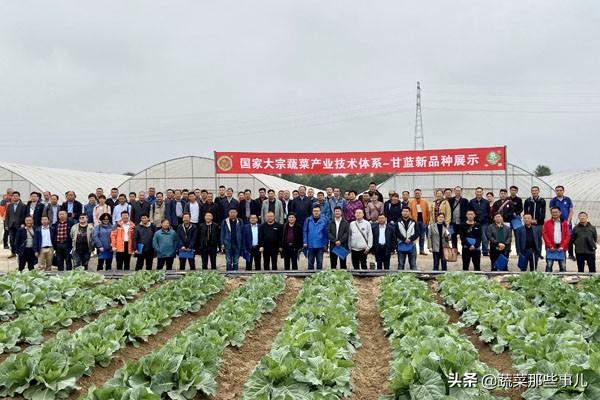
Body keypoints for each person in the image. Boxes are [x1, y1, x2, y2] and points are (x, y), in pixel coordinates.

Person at [549, 185, 575, 261]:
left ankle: (570, 254)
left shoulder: (568, 199)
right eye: (557, 190)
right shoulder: (553, 201)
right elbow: (552, 211)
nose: (559, 191)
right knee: (557, 237)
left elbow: (571, 210)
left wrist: (568, 221)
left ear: (563, 191)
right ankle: (557, 253)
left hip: (566, 222)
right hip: (557, 222)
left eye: (560, 190)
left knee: (569, 237)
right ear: (555, 191)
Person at [542, 207, 570, 272]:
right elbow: (544, 234)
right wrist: (550, 245)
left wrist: (562, 246)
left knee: (563, 266)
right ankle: (548, 281)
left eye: (556, 212)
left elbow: (567, 235)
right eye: (553, 212)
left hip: (561, 248)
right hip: (550, 247)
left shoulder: (564, 223)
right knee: (549, 265)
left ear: (560, 213)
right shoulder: (547, 223)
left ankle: (563, 280)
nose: (554, 214)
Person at [303, 206, 329, 271]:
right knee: (310, 262)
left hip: (320, 245)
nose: (316, 212)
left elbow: (326, 233)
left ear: (320, 212)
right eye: (314, 211)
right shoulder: (308, 220)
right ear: (312, 212)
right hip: (310, 245)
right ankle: (310, 277)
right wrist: (305, 242)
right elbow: (305, 231)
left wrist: (326, 244)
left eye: (317, 211)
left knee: (320, 262)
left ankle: (319, 277)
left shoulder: (324, 220)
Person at [469, 187, 490, 256]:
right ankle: (476, 249)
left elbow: (488, 212)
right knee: (475, 237)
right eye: (477, 192)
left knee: (484, 237)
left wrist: (486, 219)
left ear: (482, 193)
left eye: (480, 192)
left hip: (484, 222)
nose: (478, 193)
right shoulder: (471, 201)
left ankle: (485, 251)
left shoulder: (486, 202)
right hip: (475, 223)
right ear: (475, 193)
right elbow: (470, 211)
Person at [5, 191, 26, 258]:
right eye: (14, 196)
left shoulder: (23, 206)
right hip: (11, 226)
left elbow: (25, 216)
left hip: (19, 226)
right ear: (12, 197)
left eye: (16, 196)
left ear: (19, 197)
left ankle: (19, 253)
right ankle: (13, 252)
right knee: (11, 240)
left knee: (19, 240)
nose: (15, 197)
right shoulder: (9, 206)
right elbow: (7, 216)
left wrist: (23, 224)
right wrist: (6, 225)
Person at [408, 189, 429, 255]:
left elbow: (427, 212)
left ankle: (421, 250)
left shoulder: (424, 202)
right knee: (413, 236)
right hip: (414, 221)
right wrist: (411, 220)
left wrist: (427, 221)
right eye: (416, 193)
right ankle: (412, 250)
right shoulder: (411, 202)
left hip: (423, 221)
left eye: (418, 193)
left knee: (422, 236)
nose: (417, 194)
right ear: (414, 194)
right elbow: (409, 212)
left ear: (421, 194)